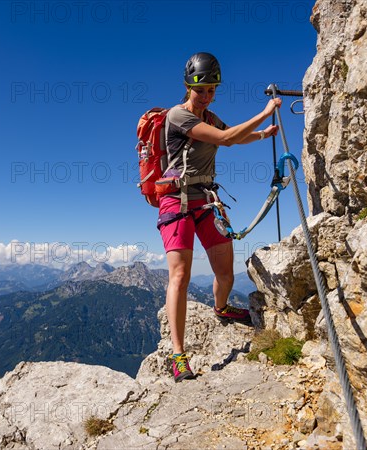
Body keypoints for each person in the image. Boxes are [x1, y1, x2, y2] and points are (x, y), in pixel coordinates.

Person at [159, 52, 281, 382]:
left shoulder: (210, 117)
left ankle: (222, 307)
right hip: (177, 203)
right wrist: (264, 112)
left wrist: (264, 134)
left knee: (225, 274)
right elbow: (226, 138)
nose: (208, 95)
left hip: (207, 201)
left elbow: (234, 138)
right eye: (202, 90)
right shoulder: (178, 117)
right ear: (188, 87)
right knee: (181, 276)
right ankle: (179, 355)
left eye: (213, 89)